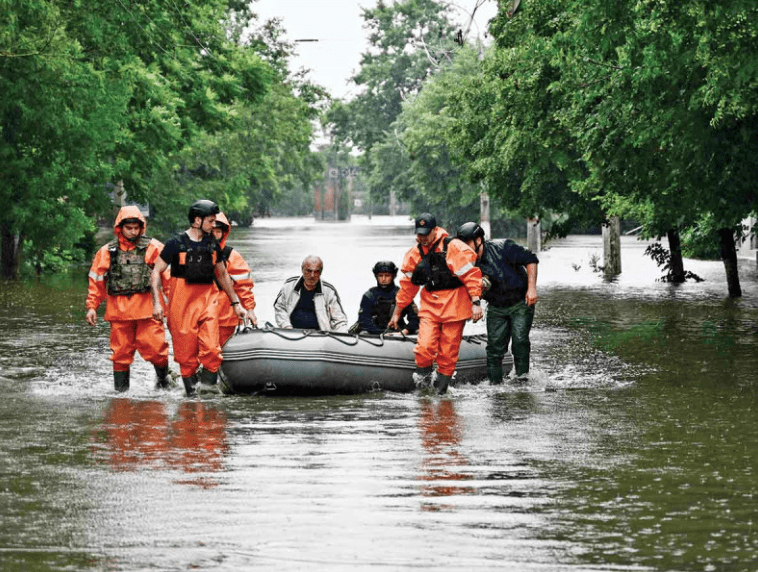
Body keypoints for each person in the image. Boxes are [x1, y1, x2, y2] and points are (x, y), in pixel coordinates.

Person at [151, 199, 247, 397]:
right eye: (211, 221)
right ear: (197, 220)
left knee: (212, 349)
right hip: (181, 305)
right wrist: (156, 303)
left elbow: (222, 275)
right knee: (186, 359)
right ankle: (192, 400)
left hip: (207, 302)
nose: (214, 225)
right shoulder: (175, 243)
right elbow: (156, 272)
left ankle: (209, 393)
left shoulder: (213, 244)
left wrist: (236, 303)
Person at [388, 213, 483, 394]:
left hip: (455, 307)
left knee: (447, 355)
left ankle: (439, 394)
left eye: (425, 234)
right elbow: (407, 287)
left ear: (435, 231)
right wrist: (397, 312)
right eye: (418, 234)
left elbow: (471, 276)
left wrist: (476, 302)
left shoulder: (453, 247)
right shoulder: (414, 254)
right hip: (430, 306)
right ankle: (424, 392)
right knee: (423, 349)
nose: (421, 238)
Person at [86, 205, 172, 392]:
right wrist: (92, 306)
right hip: (119, 312)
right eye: (129, 228)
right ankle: (121, 393)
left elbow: (169, 279)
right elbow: (97, 280)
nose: (133, 232)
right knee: (120, 354)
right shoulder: (107, 252)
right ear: (120, 228)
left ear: (142, 227)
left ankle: (164, 381)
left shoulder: (154, 248)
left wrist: (173, 307)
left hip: (148, 311)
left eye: (136, 228)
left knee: (156, 349)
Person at [456, 221, 539, 382]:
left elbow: (531, 259)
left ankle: (522, 382)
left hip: (520, 302)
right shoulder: (465, 263)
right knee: (494, 348)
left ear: (478, 240)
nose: (463, 247)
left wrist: (532, 288)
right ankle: (495, 386)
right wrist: (474, 304)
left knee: (520, 341)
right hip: (496, 306)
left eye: (467, 243)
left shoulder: (503, 247)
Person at [212, 212, 258, 346]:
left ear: (224, 233)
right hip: (199, 314)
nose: (214, 235)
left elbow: (244, 285)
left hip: (225, 317)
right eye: (211, 231)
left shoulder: (232, 256)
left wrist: (249, 309)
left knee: (218, 354)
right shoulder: (192, 254)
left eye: (218, 231)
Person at [274, 255, 348, 332]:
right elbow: (279, 308)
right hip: (292, 334)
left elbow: (339, 320)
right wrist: (287, 328)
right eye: (309, 271)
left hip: (320, 337)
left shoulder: (329, 291)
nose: (312, 275)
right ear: (302, 270)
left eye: (316, 271)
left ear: (320, 273)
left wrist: (343, 335)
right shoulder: (288, 287)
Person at [354, 261, 419, 335]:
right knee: (363, 333)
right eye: (380, 276)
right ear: (376, 276)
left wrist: (405, 331)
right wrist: (381, 333)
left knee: (419, 332)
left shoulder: (403, 295)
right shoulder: (369, 295)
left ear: (393, 276)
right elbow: (364, 319)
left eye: (387, 276)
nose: (384, 279)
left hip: (398, 331)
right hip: (374, 333)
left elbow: (415, 319)